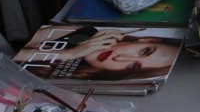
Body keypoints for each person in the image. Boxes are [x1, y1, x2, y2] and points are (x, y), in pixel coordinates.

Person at [21, 28, 182, 82]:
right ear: (146, 39)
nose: (120, 59)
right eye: (144, 51)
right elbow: (19, 46)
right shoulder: (86, 30)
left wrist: (68, 54)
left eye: (133, 67)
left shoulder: (78, 81)